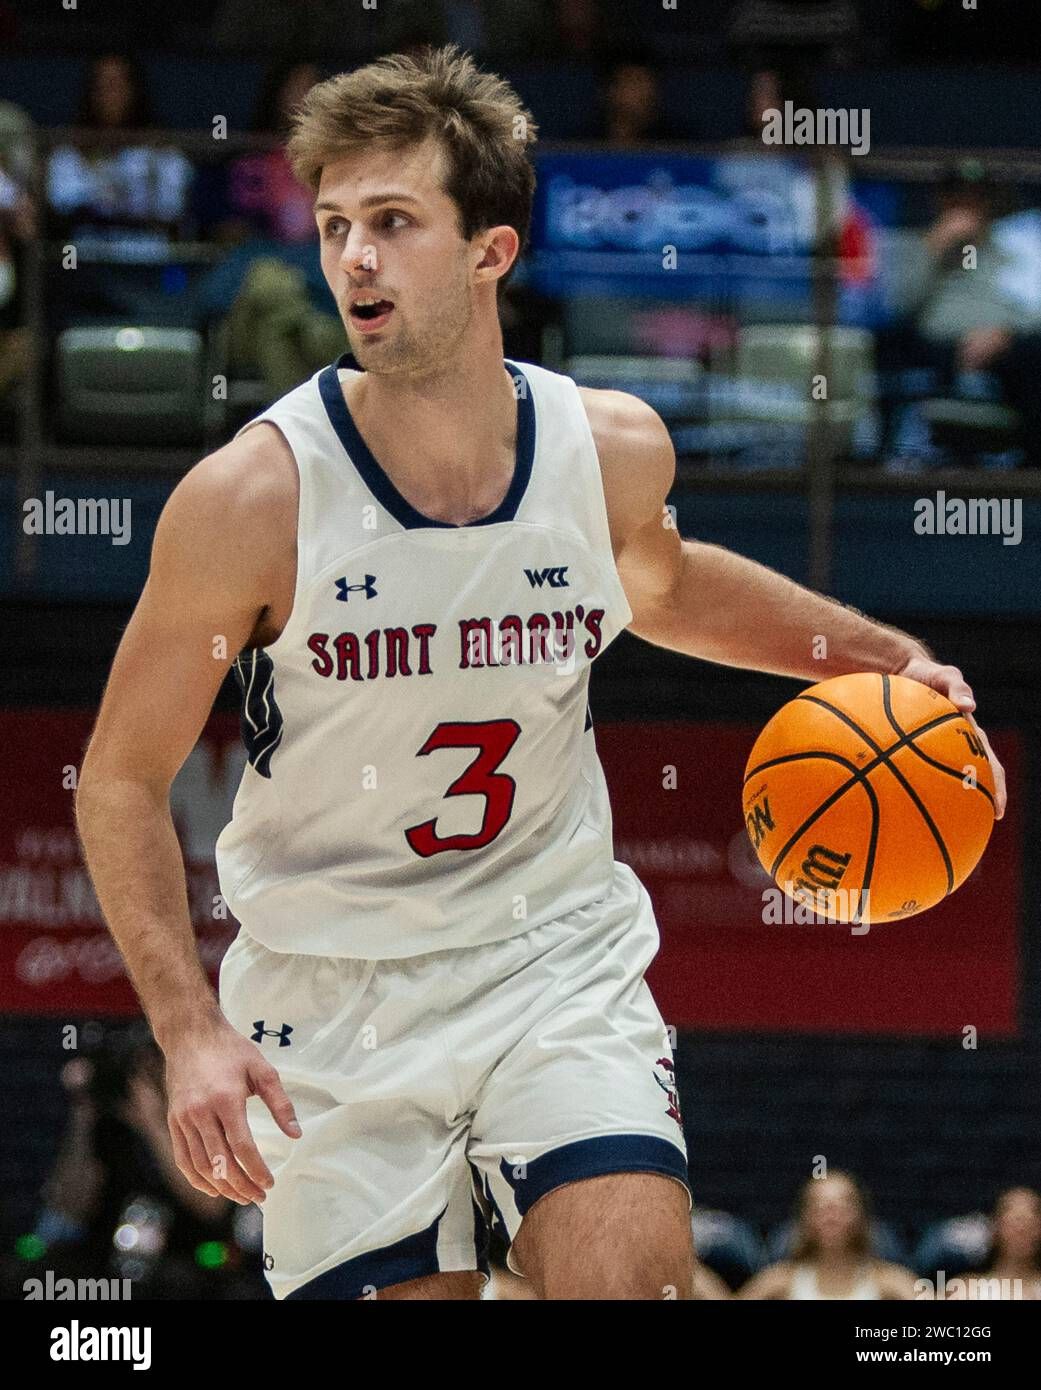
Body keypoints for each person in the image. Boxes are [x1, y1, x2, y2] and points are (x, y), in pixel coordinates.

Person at [75, 45, 1006, 1303]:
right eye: (337, 224)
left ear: (491, 251)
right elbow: (123, 777)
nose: (352, 257)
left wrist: (893, 657)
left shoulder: (604, 450)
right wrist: (189, 1034)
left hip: (552, 961)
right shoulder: (253, 497)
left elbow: (669, 588)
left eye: (394, 222)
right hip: (331, 996)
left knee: (633, 1279)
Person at [737, 1173, 917, 1300]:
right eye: (820, 1206)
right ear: (804, 1217)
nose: (831, 1216)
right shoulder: (779, 1280)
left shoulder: (890, 1281)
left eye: (842, 1206)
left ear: (860, 1215)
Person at [947, 1187, 1041, 1300]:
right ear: (995, 1227)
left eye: (1030, 1224)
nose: (1021, 1229)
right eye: (1015, 1222)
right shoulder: (967, 1290)